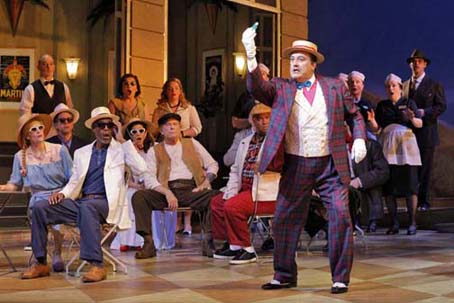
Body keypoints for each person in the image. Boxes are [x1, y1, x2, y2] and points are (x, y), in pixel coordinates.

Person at [242, 24, 367, 293]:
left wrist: (358, 138)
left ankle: (340, 278)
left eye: (300, 59)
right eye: (291, 59)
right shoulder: (281, 87)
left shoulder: (334, 86)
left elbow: (355, 114)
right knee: (285, 219)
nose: (294, 63)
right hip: (296, 162)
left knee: (340, 217)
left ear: (313, 64)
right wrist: (250, 54)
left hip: (330, 164)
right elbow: (256, 88)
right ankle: (284, 274)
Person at [20, 106, 147, 282]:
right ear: (93, 128)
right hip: (82, 203)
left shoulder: (121, 149)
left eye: (109, 126)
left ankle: (97, 265)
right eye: (101, 125)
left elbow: (141, 170)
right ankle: (40, 262)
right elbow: (74, 181)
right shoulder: (82, 153)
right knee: (41, 207)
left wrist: (123, 140)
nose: (105, 129)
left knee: (88, 207)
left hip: (107, 204)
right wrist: (63, 194)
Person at [132, 113, 219, 259]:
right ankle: (148, 243)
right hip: (166, 190)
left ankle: (208, 241)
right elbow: (149, 177)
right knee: (139, 196)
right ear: (161, 130)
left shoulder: (192, 143)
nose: (172, 127)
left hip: (191, 189)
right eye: (168, 125)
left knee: (216, 197)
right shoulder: (155, 149)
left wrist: (205, 182)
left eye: (175, 124)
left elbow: (212, 164)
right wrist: (167, 192)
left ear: (180, 128)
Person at [0, 113, 73, 272]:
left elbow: (72, 177)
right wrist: (3, 187)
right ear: (27, 136)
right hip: (38, 197)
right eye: (34, 129)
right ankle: (40, 258)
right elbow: (14, 183)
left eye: (41, 127)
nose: (39, 131)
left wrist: (64, 193)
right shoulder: (20, 157)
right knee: (38, 210)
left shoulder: (59, 150)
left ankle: (57, 252)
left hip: (59, 195)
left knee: (57, 226)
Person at [211, 103, 279, 264]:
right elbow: (235, 169)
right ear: (253, 121)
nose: (264, 121)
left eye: (267, 117)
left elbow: (286, 165)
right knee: (217, 203)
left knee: (233, 207)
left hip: (267, 193)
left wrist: (266, 166)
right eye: (259, 118)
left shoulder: (280, 139)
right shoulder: (245, 141)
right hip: (246, 188)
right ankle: (233, 245)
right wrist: (231, 191)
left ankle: (247, 248)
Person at [369, 73, 423, 236]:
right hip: (388, 145)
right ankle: (394, 223)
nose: (391, 88)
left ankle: (412, 222)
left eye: (394, 85)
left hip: (406, 146)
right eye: (388, 86)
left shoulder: (408, 103)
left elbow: (419, 124)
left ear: (400, 87)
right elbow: (377, 129)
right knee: (389, 186)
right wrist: (372, 122)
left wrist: (413, 118)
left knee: (410, 185)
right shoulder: (382, 105)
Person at [151, 78, 203, 235]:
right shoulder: (159, 109)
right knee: (171, 179)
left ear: (181, 91)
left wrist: (182, 133)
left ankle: (187, 222)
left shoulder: (188, 108)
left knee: (189, 180)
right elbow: (154, 129)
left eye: (176, 88)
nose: (173, 91)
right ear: (165, 91)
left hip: (186, 145)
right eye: (170, 88)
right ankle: (176, 222)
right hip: (166, 147)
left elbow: (197, 128)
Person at [402, 49, 447, 211]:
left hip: (427, 133)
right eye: (413, 62)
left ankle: (424, 201)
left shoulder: (434, 85)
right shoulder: (406, 85)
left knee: (425, 169)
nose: (416, 64)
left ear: (425, 64)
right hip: (409, 134)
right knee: (411, 169)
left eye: (419, 61)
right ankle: (411, 200)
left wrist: (425, 112)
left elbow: (442, 106)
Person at [110, 118, 160, 251]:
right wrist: (136, 185)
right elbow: (123, 175)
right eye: (134, 131)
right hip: (134, 185)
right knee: (129, 196)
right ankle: (126, 240)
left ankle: (145, 240)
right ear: (130, 134)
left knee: (144, 197)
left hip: (153, 184)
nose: (138, 134)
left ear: (146, 132)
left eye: (141, 131)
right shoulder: (125, 149)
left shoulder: (155, 147)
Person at [223, 64, 270, 167]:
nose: (260, 78)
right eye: (257, 75)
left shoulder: (273, 94)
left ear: (267, 77)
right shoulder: (245, 96)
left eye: (263, 75)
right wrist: (253, 122)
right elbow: (234, 122)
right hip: (248, 134)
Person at [347, 71, 376, 140]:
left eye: (357, 82)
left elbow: (375, 128)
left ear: (362, 86)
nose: (354, 84)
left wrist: (372, 120)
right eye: (352, 82)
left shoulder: (367, 104)